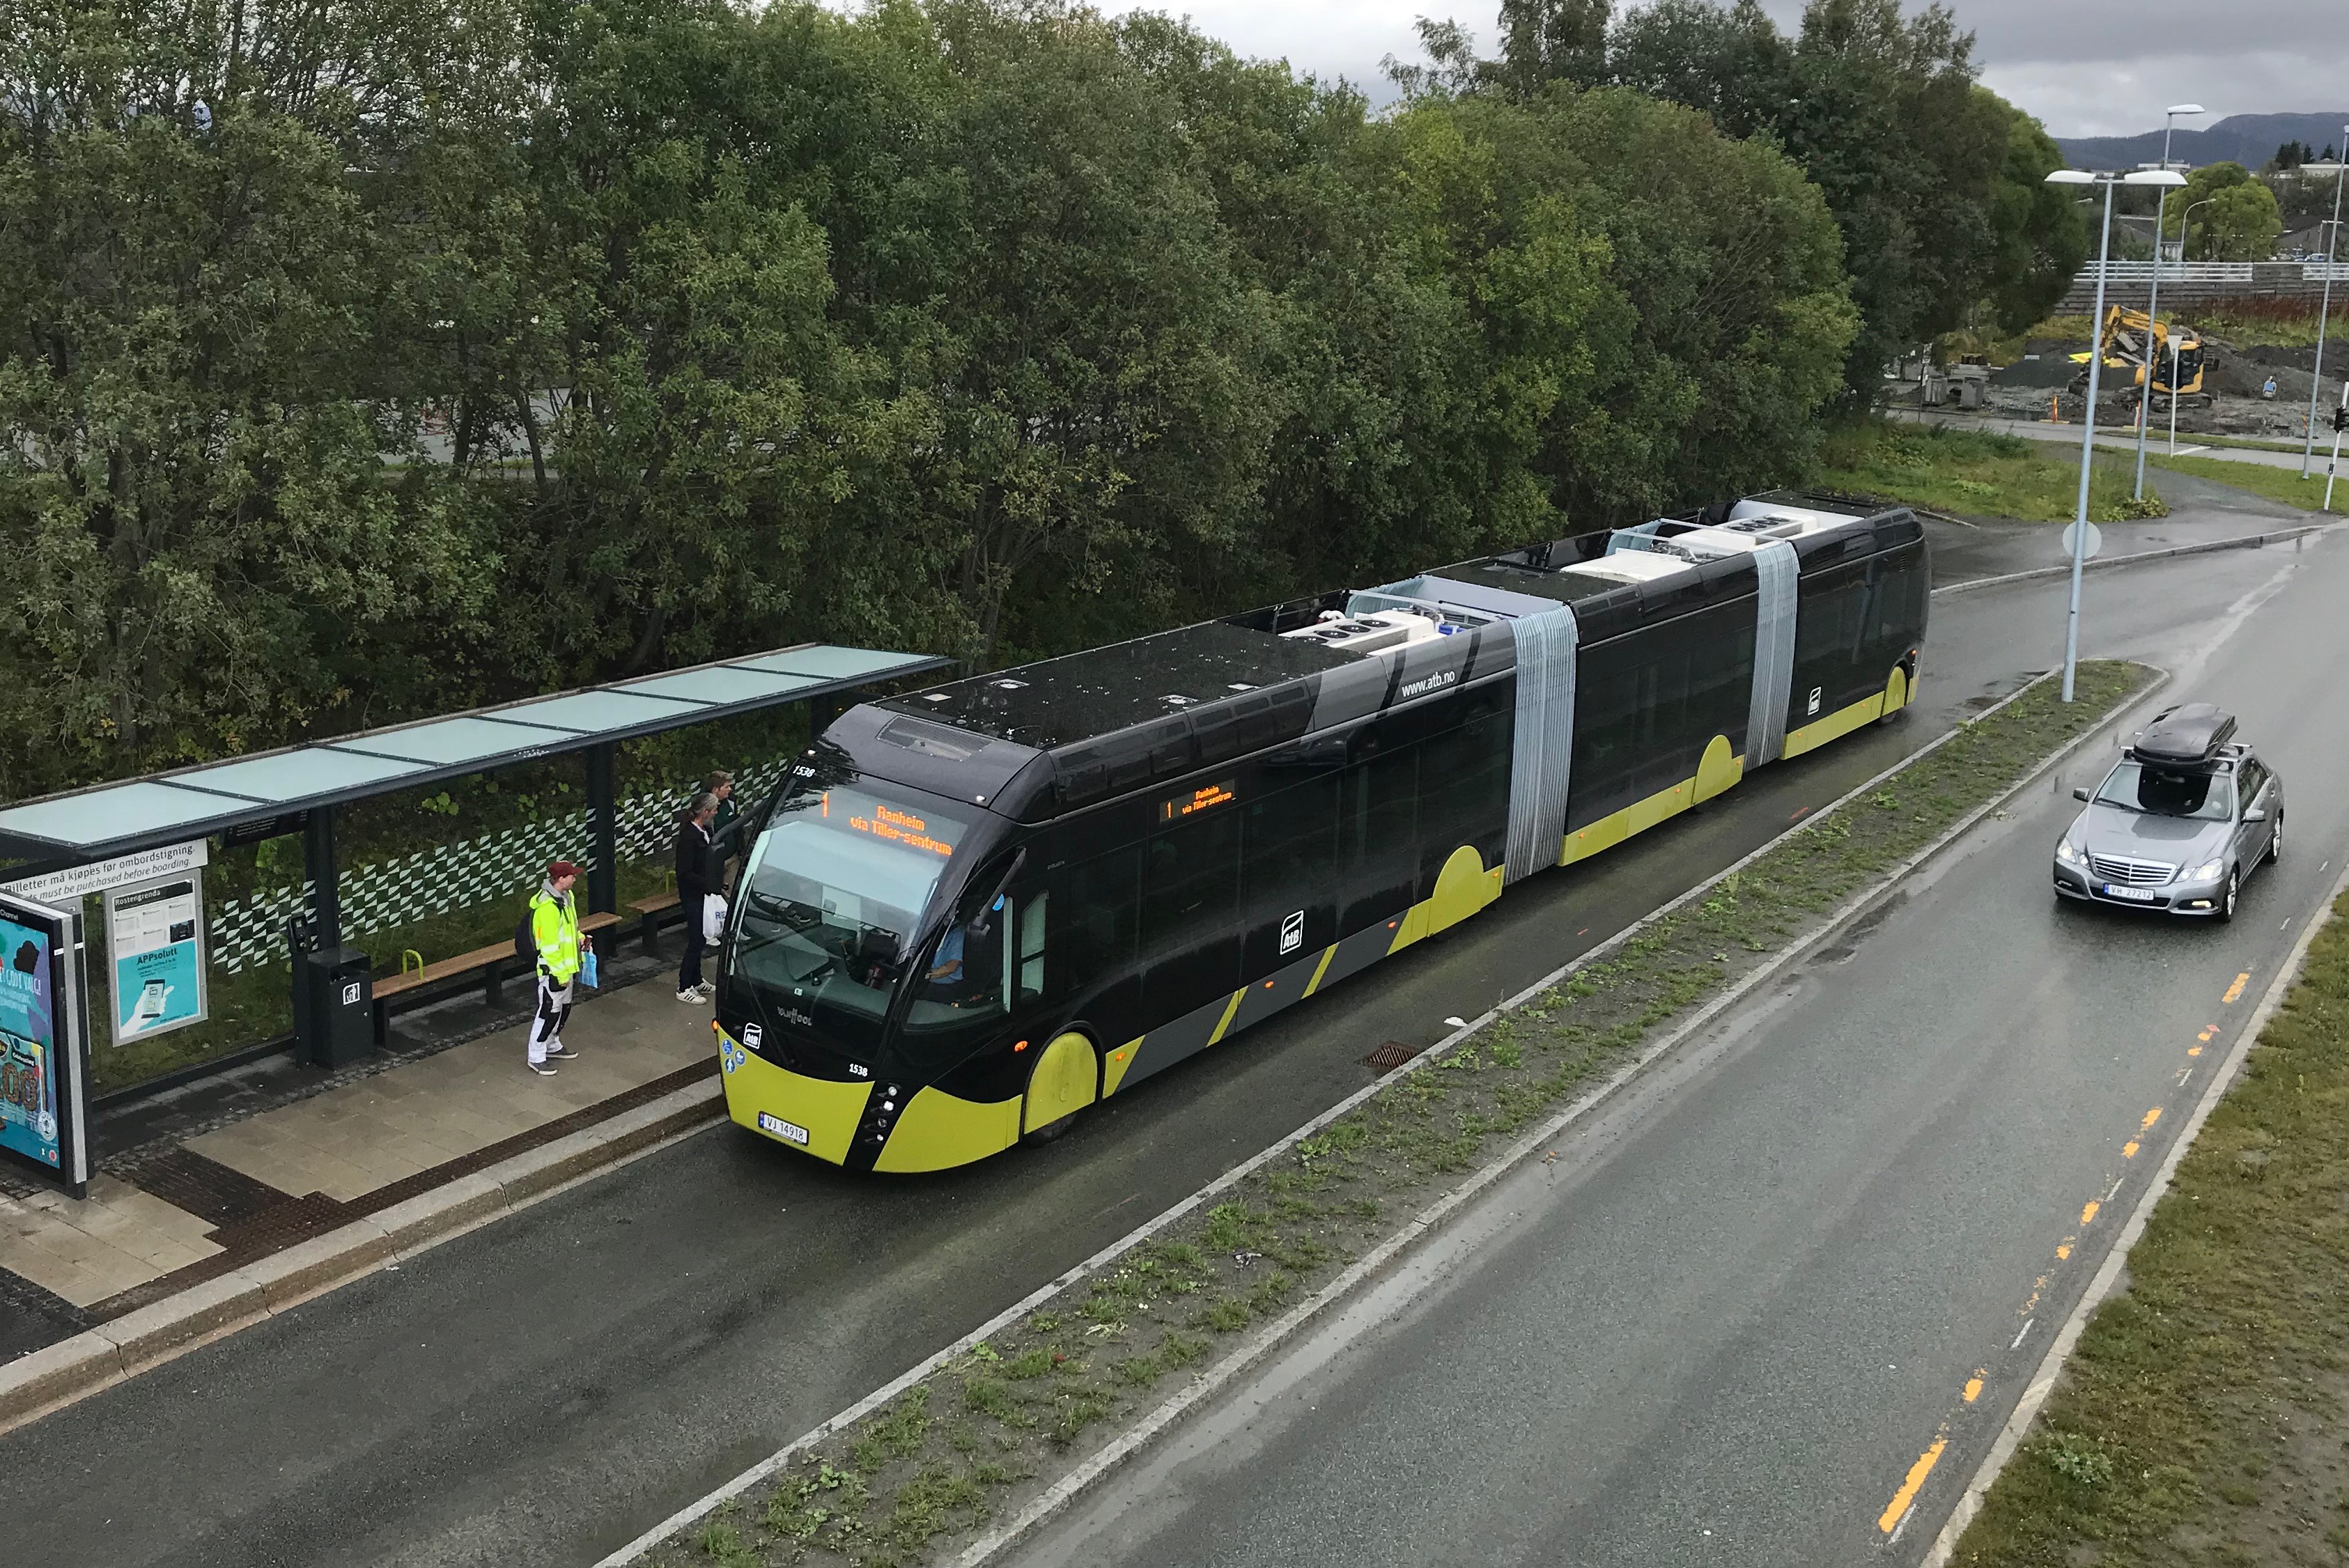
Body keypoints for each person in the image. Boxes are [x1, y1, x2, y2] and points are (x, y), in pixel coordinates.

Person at [527, 860, 590, 1076]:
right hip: (554, 970)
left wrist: (580, 939)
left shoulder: (566, 898)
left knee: (564, 1009)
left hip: (566, 967)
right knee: (548, 1012)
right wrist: (560, 974)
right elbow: (549, 947)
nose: (575, 878)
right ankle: (536, 1056)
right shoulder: (548, 908)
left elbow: (570, 930)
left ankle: (552, 1045)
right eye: (572, 876)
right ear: (560, 879)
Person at [673, 793, 723, 1003]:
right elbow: (684, 872)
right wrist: (707, 883)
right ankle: (684, 985)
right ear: (705, 812)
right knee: (696, 938)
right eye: (713, 810)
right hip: (693, 895)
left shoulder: (705, 831)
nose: (716, 813)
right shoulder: (689, 838)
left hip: (704, 894)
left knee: (701, 937)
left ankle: (696, 978)